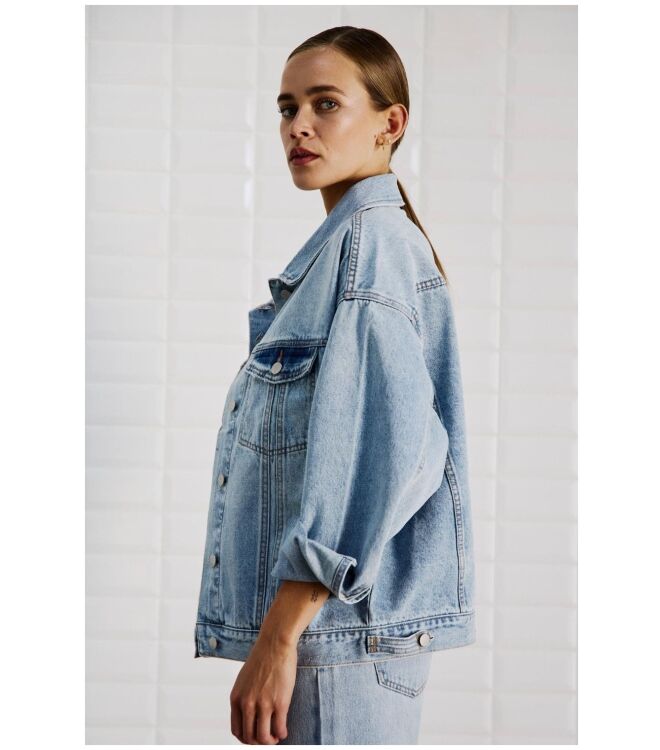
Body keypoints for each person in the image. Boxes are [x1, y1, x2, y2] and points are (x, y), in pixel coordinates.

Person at [194, 26, 476, 745]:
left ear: (390, 123)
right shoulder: (348, 252)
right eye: (287, 108)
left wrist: (279, 637)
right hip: (338, 642)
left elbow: (381, 459)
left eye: (325, 104)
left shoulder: (368, 249)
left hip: (335, 647)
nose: (299, 126)